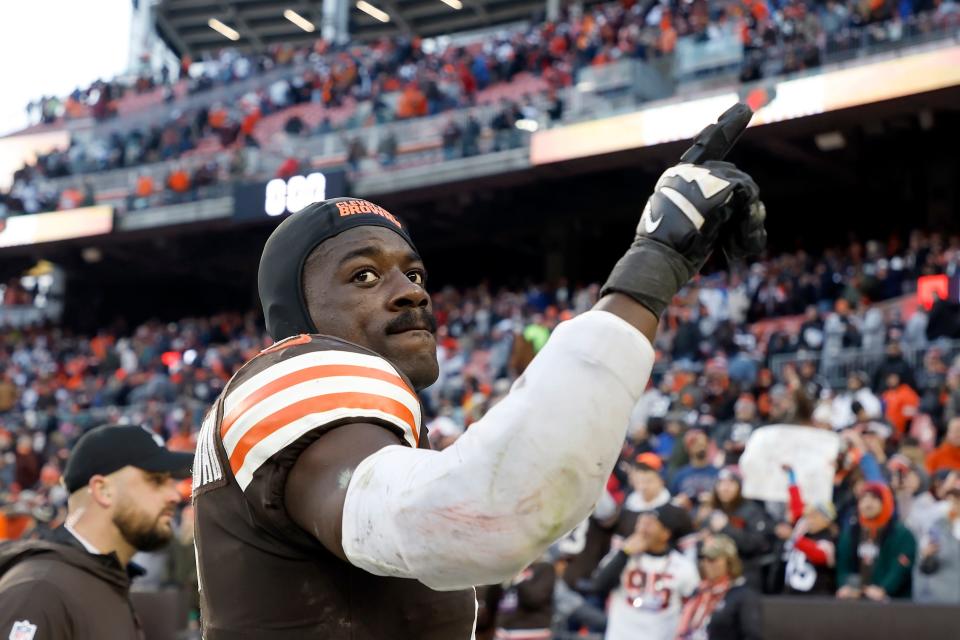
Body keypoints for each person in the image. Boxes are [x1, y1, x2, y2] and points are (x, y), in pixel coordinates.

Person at [191, 107, 766, 638]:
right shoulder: (297, 371)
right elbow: (470, 518)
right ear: (299, 315)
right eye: (364, 276)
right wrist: (651, 266)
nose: (409, 294)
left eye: (414, 274)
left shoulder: (343, 419)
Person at [0, 425, 192, 639]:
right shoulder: (39, 592)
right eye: (156, 480)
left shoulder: (102, 577)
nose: (174, 495)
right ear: (102, 490)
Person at [592, 505, 700, 640]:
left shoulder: (684, 566)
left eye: (649, 524)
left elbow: (693, 606)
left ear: (665, 534)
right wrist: (624, 554)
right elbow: (598, 586)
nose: (641, 529)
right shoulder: (621, 555)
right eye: (640, 523)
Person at [836, 482, 917, 600]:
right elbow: (843, 564)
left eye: (874, 498)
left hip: (893, 603)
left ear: (886, 501)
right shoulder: (851, 532)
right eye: (863, 499)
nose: (867, 504)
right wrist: (845, 586)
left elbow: (901, 566)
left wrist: (884, 589)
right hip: (855, 601)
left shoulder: (901, 533)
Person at [696, 467, 772, 589]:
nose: (725, 488)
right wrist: (704, 543)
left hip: (745, 573)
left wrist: (726, 528)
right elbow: (701, 550)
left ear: (740, 487)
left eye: (731, 483)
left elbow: (756, 544)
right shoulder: (712, 512)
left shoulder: (752, 510)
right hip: (716, 577)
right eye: (721, 483)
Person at [676, 534, 762, 640]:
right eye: (704, 559)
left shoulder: (743, 596)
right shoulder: (699, 591)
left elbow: (752, 636)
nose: (706, 564)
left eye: (712, 559)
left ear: (729, 562)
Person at [913, 486, 960, 604]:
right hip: (940, 596)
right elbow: (924, 564)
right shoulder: (936, 527)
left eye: (956, 501)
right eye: (949, 501)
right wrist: (925, 555)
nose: (952, 506)